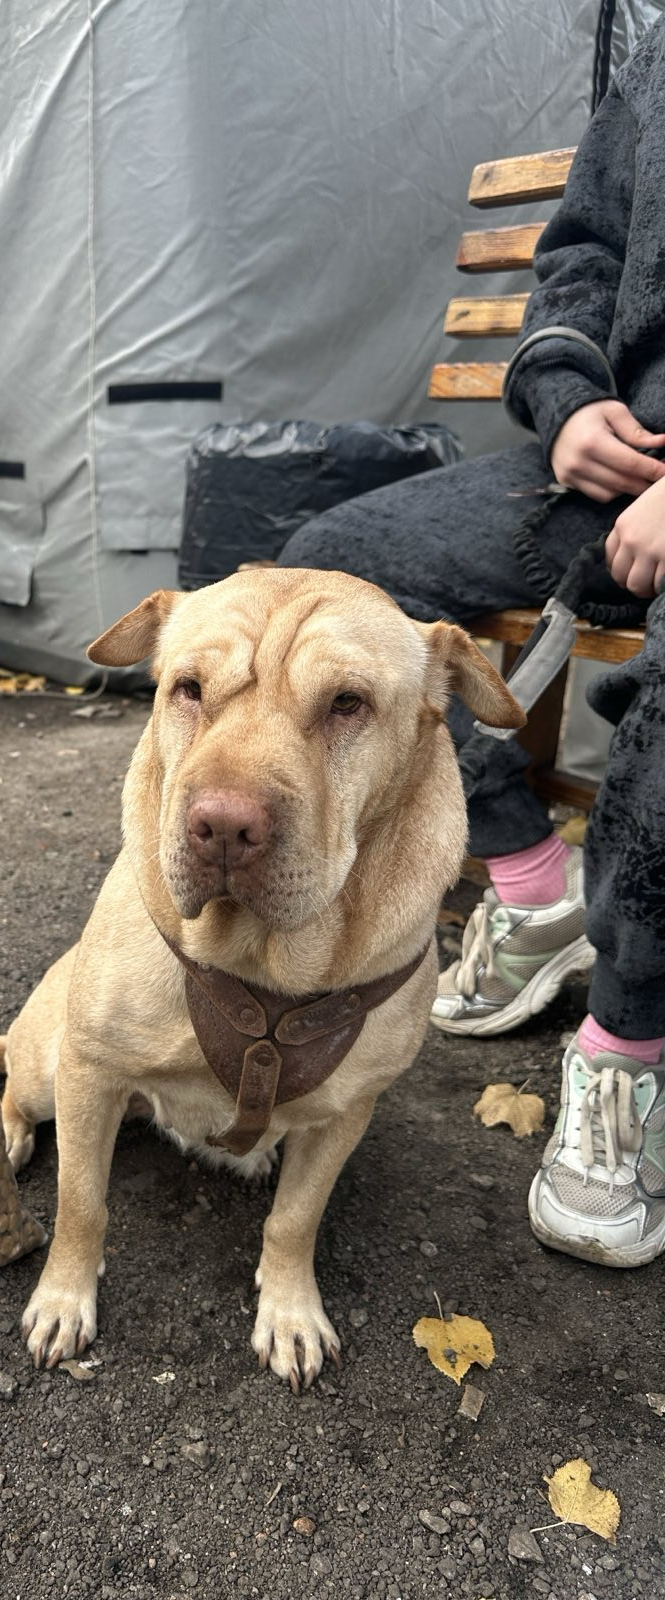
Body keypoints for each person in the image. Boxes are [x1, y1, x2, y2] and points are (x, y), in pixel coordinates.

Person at [278, 20, 665, 1269]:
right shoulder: (656, 58)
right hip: (615, 468)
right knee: (328, 578)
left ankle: (627, 1047)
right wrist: (568, 402)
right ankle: (533, 891)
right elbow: (582, 254)